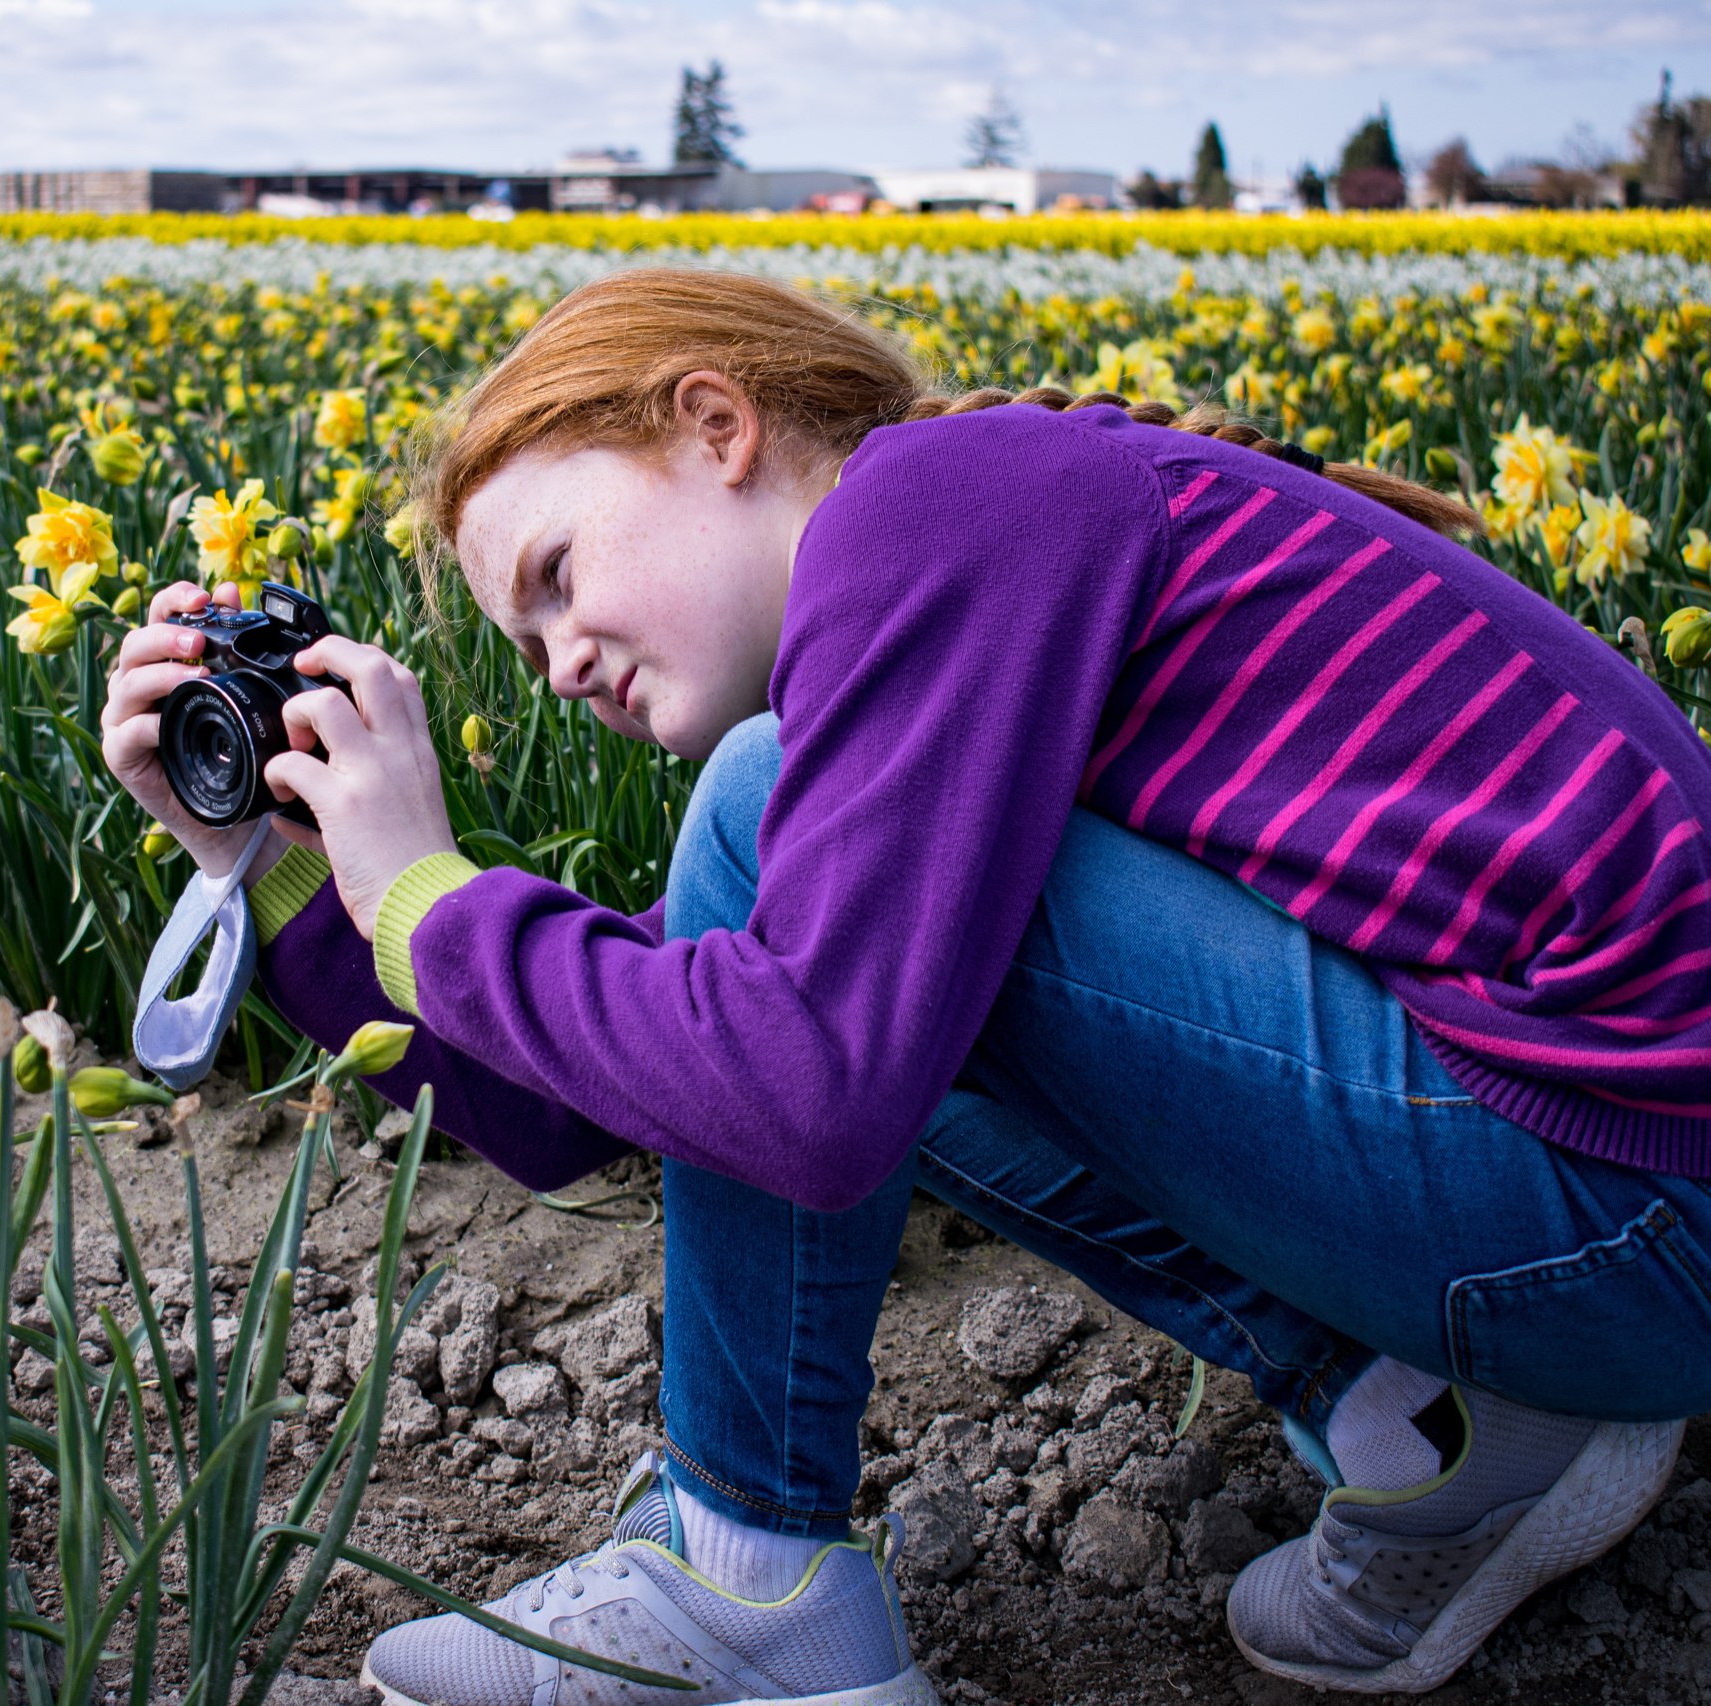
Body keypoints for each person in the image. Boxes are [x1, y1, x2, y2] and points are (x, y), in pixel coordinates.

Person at [100, 269, 1711, 1702]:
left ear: (715, 424)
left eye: (557, 572)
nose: (563, 661)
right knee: (790, 960)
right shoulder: (952, 581)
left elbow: (794, 1090)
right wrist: (302, 873)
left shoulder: (936, 502)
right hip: (1599, 1219)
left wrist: (433, 894)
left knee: (766, 859)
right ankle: (1432, 1417)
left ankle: (746, 1575)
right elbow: (607, 1107)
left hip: (1631, 1207)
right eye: (524, 650)